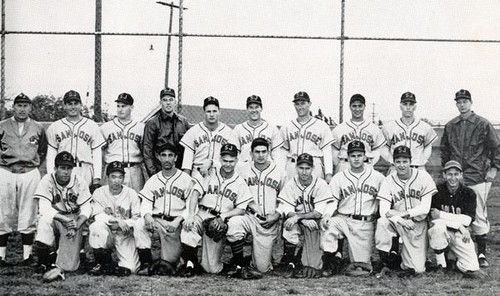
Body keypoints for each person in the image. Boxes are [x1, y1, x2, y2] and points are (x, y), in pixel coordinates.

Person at [440, 89, 500, 268]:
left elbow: (496, 147)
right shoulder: (451, 125)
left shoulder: (483, 123)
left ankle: (481, 252)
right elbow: (444, 150)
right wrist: (448, 171)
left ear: (471, 103)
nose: (462, 104)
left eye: (465, 101)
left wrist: (494, 168)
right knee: (455, 213)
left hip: (477, 176)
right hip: (456, 178)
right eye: (459, 101)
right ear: (456, 104)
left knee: (479, 215)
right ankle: (454, 252)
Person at [180, 143, 252, 276]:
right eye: (225, 160)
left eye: (231, 161)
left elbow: (242, 209)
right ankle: (190, 263)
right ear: (220, 159)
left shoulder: (240, 182)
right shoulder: (209, 172)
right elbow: (195, 193)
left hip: (218, 222)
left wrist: (224, 216)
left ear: (236, 160)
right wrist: (191, 215)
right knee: (188, 228)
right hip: (202, 213)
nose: (228, 164)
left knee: (212, 269)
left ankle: (236, 263)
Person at [320, 141, 385, 277]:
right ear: (348, 157)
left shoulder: (378, 178)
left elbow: (384, 202)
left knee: (360, 265)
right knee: (329, 225)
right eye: (353, 155)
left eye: (359, 155)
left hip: (364, 224)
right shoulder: (339, 177)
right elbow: (333, 201)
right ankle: (330, 262)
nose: (356, 158)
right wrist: (327, 214)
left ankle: (343, 259)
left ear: (365, 157)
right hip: (343, 219)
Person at [226, 138, 285, 277]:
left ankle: (254, 258)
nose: (260, 155)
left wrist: (277, 216)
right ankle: (239, 263)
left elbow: (286, 200)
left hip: (268, 221)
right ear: (251, 153)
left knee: (262, 268)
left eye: (264, 151)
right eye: (257, 152)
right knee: (234, 223)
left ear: (269, 152)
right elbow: (224, 163)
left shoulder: (280, 171)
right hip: (248, 216)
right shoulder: (242, 169)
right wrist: (210, 162)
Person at [0, 93, 48, 266]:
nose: (22, 109)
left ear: (30, 108)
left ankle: (27, 256)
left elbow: (42, 150)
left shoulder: (38, 127)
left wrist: (34, 163)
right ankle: (1, 255)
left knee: (29, 211)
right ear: (13, 107)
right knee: (3, 212)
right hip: (6, 170)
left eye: (25, 105)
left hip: (29, 171)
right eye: (19, 105)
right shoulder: (3, 125)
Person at [134, 143, 195, 276]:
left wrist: (178, 220)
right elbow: (146, 203)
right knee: (139, 224)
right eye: (163, 155)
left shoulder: (186, 179)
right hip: (158, 222)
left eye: (170, 155)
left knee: (169, 263)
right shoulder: (153, 180)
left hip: (176, 224)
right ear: (158, 157)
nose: (167, 159)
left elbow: (191, 206)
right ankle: (146, 262)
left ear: (176, 157)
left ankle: (186, 261)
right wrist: (147, 215)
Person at [375, 146, 437, 276]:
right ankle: (386, 260)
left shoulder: (423, 177)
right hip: (397, 223)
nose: (401, 165)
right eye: (398, 161)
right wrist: (400, 219)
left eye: (405, 161)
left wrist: (402, 214)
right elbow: (383, 211)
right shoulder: (389, 180)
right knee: (382, 222)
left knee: (417, 269)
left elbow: (425, 207)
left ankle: (403, 257)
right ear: (393, 162)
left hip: (417, 225)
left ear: (410, 161)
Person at [32, 152, 92, 282]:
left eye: (69, 168)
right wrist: (63, 219)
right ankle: (44, 263)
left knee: (69, 267)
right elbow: (44, 208)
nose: (66, 172)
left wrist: (77, 224)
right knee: (43, 221)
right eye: (62, 168)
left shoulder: (79, 181)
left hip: (73, 219)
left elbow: (87, 207)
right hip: (56, 216)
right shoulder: (47, 180)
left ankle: (58, 259)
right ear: (55, 168)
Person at [277, 153, 334, 278]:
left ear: (313, 168)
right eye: (301, 168)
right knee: (289, 226)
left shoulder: (320, 184)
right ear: (296, 168)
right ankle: (290, 263)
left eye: (307, 168)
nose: (304, 172)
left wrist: (298, 217)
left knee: (330, 230)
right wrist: (301, 220)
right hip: (302, 222)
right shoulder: (291, 184)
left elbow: (318, 212)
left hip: (317, 222)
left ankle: (328, 262)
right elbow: (287, 208)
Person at [428, 160, 486, 279]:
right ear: (444, 175)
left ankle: (453, 258)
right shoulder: (437, 191)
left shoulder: (469, 193)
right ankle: (441, 265)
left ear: (461, 175)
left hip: (461, 233)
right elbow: (434, 216)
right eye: (449, 174)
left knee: (472, 267)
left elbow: (467, 220)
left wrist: (443, 215)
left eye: (456, 174)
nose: (453, 178)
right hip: (444, 231)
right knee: (437, 226)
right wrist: (458, 224)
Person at [88, 161, 141, 276]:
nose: (117, 181)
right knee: (96, 227)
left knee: (131, 269)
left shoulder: (131, 193)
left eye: (120, 177)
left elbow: (137, 219)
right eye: (113, 177)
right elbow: (98, 216)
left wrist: (125, 223)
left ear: (123, 178)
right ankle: (102, 262)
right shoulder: (99, 192)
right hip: (107, 231)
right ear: (107, 178)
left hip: (125, 233)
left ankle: (112, 267)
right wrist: (118, 220)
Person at [280, 91, 334, 182]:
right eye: (297, 104)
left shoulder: (321, 126)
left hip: (314, 166)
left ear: (309, 104)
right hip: (293, 166)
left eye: (303, 103)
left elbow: (327, 152)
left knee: (315, 195)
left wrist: (328, 173)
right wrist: (281, 172)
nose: (300, 107)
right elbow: (282, 153)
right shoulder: (287, 127)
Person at [180, 96, 238, 177]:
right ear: (203, 112)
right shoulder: (193, 131)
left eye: (214, 111)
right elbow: (187, 163)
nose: (212, 114)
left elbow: (234, 159)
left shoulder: (228, 132)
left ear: (219, 112)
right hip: (198, 173)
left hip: (220, 174)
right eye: (208, 111)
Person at [100, 93, 145, 192]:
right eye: (118, 106)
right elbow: (100, 152)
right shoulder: (105, 128)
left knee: (135, 201)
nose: (120, 109)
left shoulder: (141, 128)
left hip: (133, 170)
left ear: (131, 107)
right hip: (112, 169)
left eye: (124, 106)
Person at [382, 92, 437, 171]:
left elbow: (428, 146)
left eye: (411, 104)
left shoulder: (425, 127)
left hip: (417, 167)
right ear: (400, 106)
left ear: (415, 107)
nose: (408, 107)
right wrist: (391, 160)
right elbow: (384, 147)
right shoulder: (389, 127)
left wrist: (422, 160)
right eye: (405, 104)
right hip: (397, 168)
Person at [331, 94, 386, 173]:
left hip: (366, 165)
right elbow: (334, 151)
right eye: (354, 106)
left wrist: (370, 163)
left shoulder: (373, 128)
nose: (357, 109)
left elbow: (377, 151)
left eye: (360, 106)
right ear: (350, 107)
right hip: (345, 165)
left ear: (364, 106)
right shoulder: (339, 129)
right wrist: (341, 163)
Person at [143, 87, 190, 176]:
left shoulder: (183, 121)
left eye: (171, 100)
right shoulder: (152, 123)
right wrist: (154, 175)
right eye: (165, 100)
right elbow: (147, 151)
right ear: (160, 103)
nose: (168, 103)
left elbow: (190, 148)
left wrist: (185, 172)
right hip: (159, 171)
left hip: (179, 172)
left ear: (175, 102)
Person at [232, 95, 284, 171]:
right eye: (251, 107)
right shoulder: (238, 129)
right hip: (245, 170)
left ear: (261, 109)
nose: (254, 110)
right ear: (247, 109)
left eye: (256, 107)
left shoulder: (272, 129)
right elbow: (234, 154)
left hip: (267, 171)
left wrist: (277, 171)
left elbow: (277, 154)